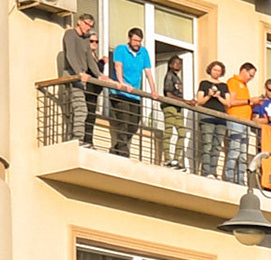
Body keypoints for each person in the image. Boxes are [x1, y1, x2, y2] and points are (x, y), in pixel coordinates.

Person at [107, 27, 153, 159]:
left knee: (133, 125)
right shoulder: (120, 49)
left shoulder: (143, 52)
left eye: (139, 41)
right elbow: (118, 66)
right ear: (129, 39)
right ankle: (123, 152)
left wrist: (153, 90)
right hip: (119, 93)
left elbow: (148, 72)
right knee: (124, 122)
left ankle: (116, 148)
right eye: (135, 40)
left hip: (135, 95)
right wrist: (121, 83)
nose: (137, 43)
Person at [59, 14, 104, 146]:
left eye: (91, 26)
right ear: (79, 22)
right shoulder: (70, 34)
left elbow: (90, 60)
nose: (88, 28)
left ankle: (77, 137)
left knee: (79, 108)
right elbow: (70, 55)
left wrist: (99, 75)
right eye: (86, 24)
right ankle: (77, 138)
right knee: (81, 108)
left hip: (80, 77)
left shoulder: (85, 39)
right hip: (72, 75)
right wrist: (79, 73)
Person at [223, 61, 257, 184]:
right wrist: (249, 101)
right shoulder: (233, 82)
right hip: (236, 120)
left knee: (243, 154)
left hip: (245, 122)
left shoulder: (244, 85)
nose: (251, 78)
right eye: (250, 75)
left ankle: (240, 179)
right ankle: (230, 177)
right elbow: (231, 101)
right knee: (235, 150)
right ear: (244, 71)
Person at [195, 61, 229, 178]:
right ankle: (206, 171)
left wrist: (218, 96)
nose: (216, 72)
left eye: (219, 70)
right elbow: (199, 101)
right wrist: (209, 95)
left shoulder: (224, 86)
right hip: (207, 117)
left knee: (217, 146)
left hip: (221, 118)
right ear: (210, 70)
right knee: (207, 144)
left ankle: (213, 171)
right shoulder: (204, 83)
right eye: (214, 70)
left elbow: (228, 103)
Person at [160, 54, 188, 169]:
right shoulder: (169, 76)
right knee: (169, 132)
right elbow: (168, 94)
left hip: (178, 108)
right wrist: (184, 101)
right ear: (170, 65)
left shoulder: (177, 78)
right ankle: (167, 159)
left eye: (180, 63)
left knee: (182, 133)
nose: (178, 65)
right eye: (176, 63)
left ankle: (176, 159)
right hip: (170, 107)